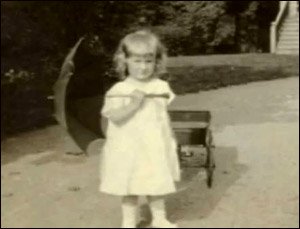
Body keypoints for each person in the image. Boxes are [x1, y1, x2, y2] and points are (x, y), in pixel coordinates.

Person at [99, 30, 180, 228]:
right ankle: (128, 222)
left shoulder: (160, 86)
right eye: (137, 61)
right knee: (130, 185)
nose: (143, 68)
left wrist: (170, 137)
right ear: (124, 60)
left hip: (154, 145)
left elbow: (162, 116)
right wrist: (133, 105)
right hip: (129, 147)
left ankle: (159, 219)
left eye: (148, 61)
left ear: (157, 62)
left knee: (156, 180)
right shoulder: (119, 90)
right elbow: (114, 118)